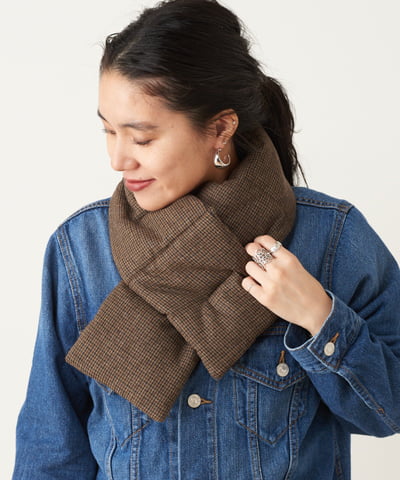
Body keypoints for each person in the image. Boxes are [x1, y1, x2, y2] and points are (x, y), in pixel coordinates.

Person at [12, 0, 400, 478]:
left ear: (220, 128)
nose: (117, 159)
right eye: (109, 131)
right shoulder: (81, 248)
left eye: (142, 138)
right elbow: (52, 448)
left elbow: (389, 413)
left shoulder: (331, 238)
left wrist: (319, 317)